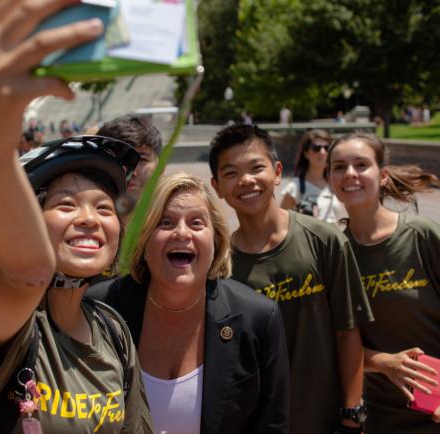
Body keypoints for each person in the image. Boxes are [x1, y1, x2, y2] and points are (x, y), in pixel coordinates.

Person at [0, 2, 152, 433]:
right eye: (65, 205)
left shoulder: (113, 330)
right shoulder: (3, 320)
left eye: (103, 208)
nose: (89, 219)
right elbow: (26, 274)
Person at [88, 172, 289, 434]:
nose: (182, 233)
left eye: (196, 223)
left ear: (216, 240)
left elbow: (273, 425)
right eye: (165, 222)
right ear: (144, 239)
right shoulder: (100, 310)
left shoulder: (259, 317)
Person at [208, 124, 373, 434]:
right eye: (231, 173)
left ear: (277, 171)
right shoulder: (219, 265)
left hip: (326, 419)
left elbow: (348, 331)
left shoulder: (324, 240)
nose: (246, 180)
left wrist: (352, 414)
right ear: (216, 186)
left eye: (256, 167)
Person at [327, 132, 440, 434]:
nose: (350, 174)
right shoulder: (332, 252)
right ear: (329, 176)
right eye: (339, 167)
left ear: (382, 175)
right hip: (386, 419)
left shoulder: (424, 237)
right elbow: (335, 340)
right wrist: (383, 361)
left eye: (361, 164)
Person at [280, 129, 347, 224]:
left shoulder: (336, 183)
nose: (322, 152)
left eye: (327, 148)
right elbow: (281, 221)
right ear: (306, 153)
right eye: (316, 148)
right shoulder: (295, 187)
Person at [96, 115, 162, 201]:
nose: (129, 171)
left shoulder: (177, 211)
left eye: (141, 160)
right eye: (117, 159)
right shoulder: (84, 213)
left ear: (161, 169)